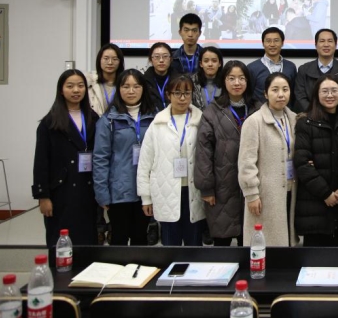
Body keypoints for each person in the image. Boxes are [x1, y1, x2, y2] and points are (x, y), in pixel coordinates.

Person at [137, 75, 206, 246]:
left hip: (194, 192)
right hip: (165, 192)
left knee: (194, 246)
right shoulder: (157, 124)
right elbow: (145, 163)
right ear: (168, 95)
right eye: (177, 93)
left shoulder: (201, 121)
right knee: (170, 248)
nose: (182, 98)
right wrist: (146, 198)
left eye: (186, 93)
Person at [32, 69, 99, 247]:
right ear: (61, 90)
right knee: (61, 243)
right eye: (70, 86)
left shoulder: (93, 118)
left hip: (88, 189)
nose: (76, 90)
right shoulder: (50, 122)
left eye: (80, 86)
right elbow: (41, 162)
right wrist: (43, 196)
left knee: (88, 242)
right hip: (61, 192)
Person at [195, 61, 255, 247]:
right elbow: (204, 152)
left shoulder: (258, 109)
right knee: (222, 244)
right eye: (231, 78)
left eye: (241, 78)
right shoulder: (212, 112)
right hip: (222, 187)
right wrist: (206, 188)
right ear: (223, 81)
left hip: (252, 186)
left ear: (248, 81)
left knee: (250, 243)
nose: (237, 83)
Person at [93, 69, 155, 245]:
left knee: (140, 238)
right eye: (126, 86)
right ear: (119, 89)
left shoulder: (154, 117)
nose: (131, 91)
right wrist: (102, 193)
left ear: (143, 89)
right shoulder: (109, 120)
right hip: (119, 191)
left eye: (136, 86)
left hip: (146, 191)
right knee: (119, 238)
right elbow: (100, 158)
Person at [237, 72, 299, 247]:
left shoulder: (294, 119)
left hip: (291, 190)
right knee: (265, 242)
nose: (281, 94)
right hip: (265, 193)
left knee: (287, 240)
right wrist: (251, 195)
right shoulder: (254, 122)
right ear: (265, 93)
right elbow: (246, 163)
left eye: (285, 89)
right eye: (275, 90)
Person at [294, 75, 338, 246]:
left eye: (334, 90)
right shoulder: (305, 123)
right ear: (316, 94)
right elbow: (302, 163)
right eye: (324, 91)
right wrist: (326, 193)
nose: (330, 95)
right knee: (314, 257)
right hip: (314, 203)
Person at [294, 29, 338, 112]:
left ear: (336, 45)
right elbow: (300, 97)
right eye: (322, 41)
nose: (326, 45)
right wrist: (314, 113)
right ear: (316, 45)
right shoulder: (304, 70)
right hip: (310, 116)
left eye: (330, 41)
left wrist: (333, 113)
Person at [247, 27, 298, 104]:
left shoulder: (290, 67)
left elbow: (294, 94)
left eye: (276, 41)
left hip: (285, 110)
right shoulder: (252, 68)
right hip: (261, 111)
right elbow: (248, 95)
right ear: (263, 43)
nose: (272, 44)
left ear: (282, 43)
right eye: (268, 41)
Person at [87, 43, 125, 116]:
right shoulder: (89, 83)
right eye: (106, 58)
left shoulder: (124, 84)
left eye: (114, 59)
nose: (110, 62)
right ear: (99, 60)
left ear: (120, 62)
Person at [190, 46, 224, 110]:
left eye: (214, 61)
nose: (210, 64)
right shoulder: (191, 82)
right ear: (201, 64)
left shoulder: (226, 82)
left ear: (219, 63)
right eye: (206, 61)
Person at [143, 42, 173, 113]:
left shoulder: (179, 80)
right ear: (151, 59)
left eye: (165, 56)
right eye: (157, 56)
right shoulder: (143, 81)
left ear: (171, 59)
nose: (161, 60)